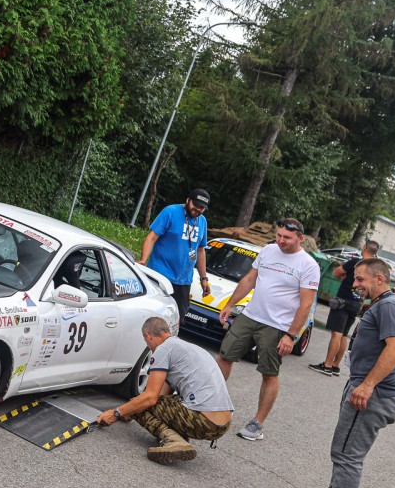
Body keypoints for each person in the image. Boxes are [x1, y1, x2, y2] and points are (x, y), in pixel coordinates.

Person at [288, 257, 395, 488]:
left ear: (379, 279)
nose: (354, 284)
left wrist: (367, 386)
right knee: (342, 451)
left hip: (373, 395)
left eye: (360, 280)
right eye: (354, 279)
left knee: (348, 457)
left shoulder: (390, 305)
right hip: (366, 389)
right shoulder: (383, 304)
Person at [216, 218, 320, 441]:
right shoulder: (268, 250)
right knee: (224, 357)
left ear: (300, 238)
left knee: (269, 373)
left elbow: (306, 304)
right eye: (279, 236)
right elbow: (249, 280)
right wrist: (230, 304)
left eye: (287, 238)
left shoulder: (308, 265)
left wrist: (291, 335)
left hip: (277, 326)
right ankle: (208, 401)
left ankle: (257, 424)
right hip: (250, 316)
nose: (281, 241)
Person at [97, 316, 233, 464]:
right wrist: (131, 410)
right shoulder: (189, 348)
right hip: (222, 425)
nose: (149, 347)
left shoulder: (163, 350)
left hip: (203, 420)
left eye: (146, 341)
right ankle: (179, 437)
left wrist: (117, 412)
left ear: (147, 336)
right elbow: (163, 397)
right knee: (140, 405)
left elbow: (150, 398)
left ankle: (174, 441)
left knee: (139, 403)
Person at [140, 188, 212, 322]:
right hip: (160, 274)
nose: (197, 209)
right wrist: (144, 259)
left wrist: (204, 278)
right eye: (195, 205)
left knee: (176, 320)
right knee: (151, 316)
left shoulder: (202, 221)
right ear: (188, 200)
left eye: (201, 208)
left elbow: (200, 250)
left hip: (184, 280)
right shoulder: (170, 212)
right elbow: (152, 237)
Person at [310, 241, 378, 377]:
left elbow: (336, 272)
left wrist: (344, 276)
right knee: (344, 335)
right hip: (356, 303)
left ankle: (327, 365)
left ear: (364, 248)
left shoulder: (356, 263)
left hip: (343, 301)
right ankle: (336, 365)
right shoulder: (373, 268)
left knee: (336, 334)